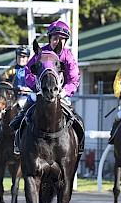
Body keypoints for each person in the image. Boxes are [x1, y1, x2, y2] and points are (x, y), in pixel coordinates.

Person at [10, 20, 80, 154]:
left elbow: (74, 79)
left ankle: (78, 148)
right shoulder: (40, 54)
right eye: (55, 38)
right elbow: (28, 72)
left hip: (60, 94)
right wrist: (36, 87)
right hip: (40, 92)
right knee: (22, 114)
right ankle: (18, 142)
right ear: (50, 38)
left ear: (65, 41)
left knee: (77, 120)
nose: (57, 41)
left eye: (61, 39)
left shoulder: (68, 57)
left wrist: (64, 92)